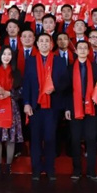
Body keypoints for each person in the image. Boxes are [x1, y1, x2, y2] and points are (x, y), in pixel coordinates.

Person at [23, 33, 69, 180]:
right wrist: (26, 103)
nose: (44, 43)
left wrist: (55, 88)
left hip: (52, 106)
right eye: (41, 41)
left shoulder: (59, 61)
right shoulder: (30, 61)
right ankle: (36, 170)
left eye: (46, 41)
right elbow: (26, 83)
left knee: (50, 138)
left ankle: (50, 169)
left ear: (51, 44)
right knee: (35, 139)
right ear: (37, 44)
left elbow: (66, 82)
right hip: (35, 106)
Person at [64, 41, 97, 180]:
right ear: (76, 51)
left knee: (91, 139)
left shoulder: (96, 68)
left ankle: (92, 171)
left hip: (91, 108)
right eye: (79, 48)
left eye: (85, 48)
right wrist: (67, 108)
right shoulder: (69, 68)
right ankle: (77, 170)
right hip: (74, 108)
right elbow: (67, 91)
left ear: (88, 51)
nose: (82, 50)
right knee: (75, 139)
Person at [0, 46, 24, 176]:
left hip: (11, 107)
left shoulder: (16, 72)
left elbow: (21, 91)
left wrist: (9, 93)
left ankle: (8, 166)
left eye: (9, 54)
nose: (6, 57)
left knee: (10, 138)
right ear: (0, 56)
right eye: (4, 54)